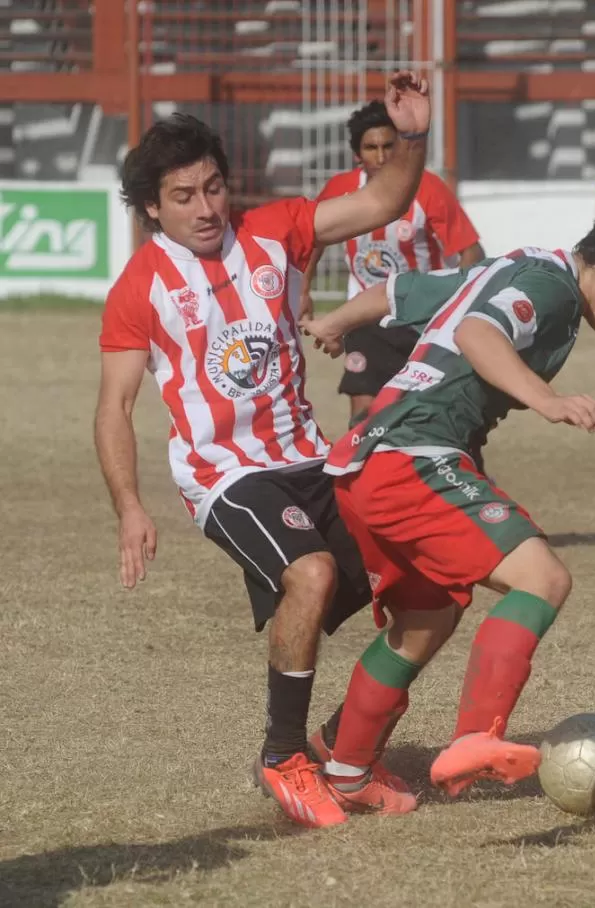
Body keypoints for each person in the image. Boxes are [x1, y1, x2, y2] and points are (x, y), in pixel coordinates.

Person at [93, 72, 431, 829]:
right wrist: (129, 507)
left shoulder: (276, 230)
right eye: (184, 197)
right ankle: (284, 756)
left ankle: (346, 754)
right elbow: (113, 408)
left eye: (213, 188)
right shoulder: (140, 287)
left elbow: (382, 202)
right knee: (308, 575)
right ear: (152, 207)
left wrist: (411, 138)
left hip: (311, 458)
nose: (207, 208)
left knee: (424, 584)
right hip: (226, 476)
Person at [299, 201, 595, 815]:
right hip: (413, 455)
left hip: (366, 461)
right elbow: (476, 333)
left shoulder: (515, 267)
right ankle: (475, 736)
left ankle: (345, 766)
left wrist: (334, 323)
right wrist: (547, 399)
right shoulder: (552, 290)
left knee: (425, 621)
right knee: (544, 579)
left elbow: (403, 290)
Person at [300, 100, 485, 427]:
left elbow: (470, 250)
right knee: (363, 411)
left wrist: (462, 300)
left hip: (421, 318)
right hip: (364, 319)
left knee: (431, 415)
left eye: (388, 145)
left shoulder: (428, 188)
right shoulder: (340, 190)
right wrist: (303, 290)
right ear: (357, 154)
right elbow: (311, 240)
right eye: (371, 148)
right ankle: (361, 474)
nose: (381, 156)